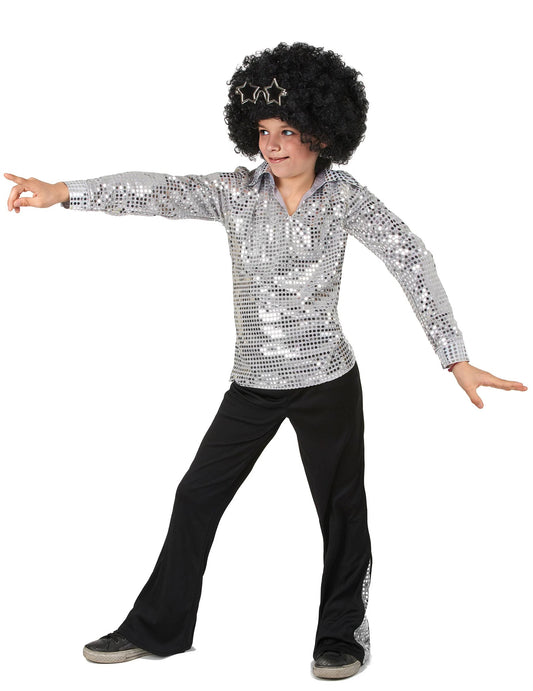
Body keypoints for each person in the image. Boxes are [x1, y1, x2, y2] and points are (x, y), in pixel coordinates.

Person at [4, 42, 527, 681]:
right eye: (263, 131)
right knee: (196, 497)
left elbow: (410, 257)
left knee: (341, 508)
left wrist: (455, 358)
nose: (272, 145)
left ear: (322, 132)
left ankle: (343, 633)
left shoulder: (345, 198)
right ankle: (159, 628)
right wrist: (64, 192)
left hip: (328, 381)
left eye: (288, 130)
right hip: (252, 386)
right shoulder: (235, 193)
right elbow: (157, 191)